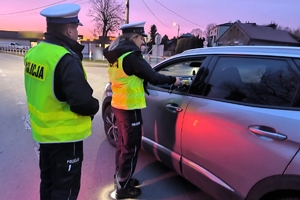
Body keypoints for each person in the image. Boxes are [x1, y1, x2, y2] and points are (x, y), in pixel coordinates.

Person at [23, 3, 99, 200]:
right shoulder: (65, 59)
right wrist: (95, 106)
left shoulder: (34, 53)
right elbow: (82, 102)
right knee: (65, 192)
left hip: (44, 136)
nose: (77, 34)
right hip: (66, 139)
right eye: (76, 29)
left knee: (47, 185)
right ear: (69, 29)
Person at [103, 21, 181, 199]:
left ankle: (121, 178)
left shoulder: (116, 55)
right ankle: (123, 187)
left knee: (123, 145)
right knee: (131, 147)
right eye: (141, 39)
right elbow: (153, 76)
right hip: (130, 107)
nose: (143, 43)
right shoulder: (131, 55)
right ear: (134, 37)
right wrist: (173, 81)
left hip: (119, 104)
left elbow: (131, 76)